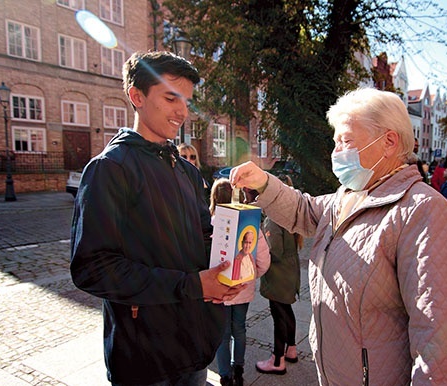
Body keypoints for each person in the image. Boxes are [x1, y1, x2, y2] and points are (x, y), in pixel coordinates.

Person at [230, 88, 447, 385]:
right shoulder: (347, 197)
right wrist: (264, 183)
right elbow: (302, 210)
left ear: (389, 142)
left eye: (346, 141)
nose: (336, 153)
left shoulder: (424, 212)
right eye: (335, 142)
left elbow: (443, 345)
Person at [70, 51, 244, 386]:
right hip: (144, 360)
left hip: (194, 349)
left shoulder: (186, 172)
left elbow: (200, 239)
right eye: (170, 97)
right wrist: (192, 284)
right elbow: (91, 268)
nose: (182, 111)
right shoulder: (110, 168)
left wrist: (231, 256)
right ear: (136, 96)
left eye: (187, 101)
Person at [209, 178, 270, 386]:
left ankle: (225, 376)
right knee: (240, 329)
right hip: (243, 289)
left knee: (223, 334)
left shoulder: (212, 224)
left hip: (220, 290)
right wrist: (250, 276)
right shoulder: (250, 223)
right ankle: (239, 370)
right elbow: (264, 259)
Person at [256, 174, 303, 375]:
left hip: (278, 276)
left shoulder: (274, 219)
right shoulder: (291, 215)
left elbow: (273, 251)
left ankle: (277, 360)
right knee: (287, 311)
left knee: (278, 316)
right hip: (290, 272)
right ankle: (291, 350)